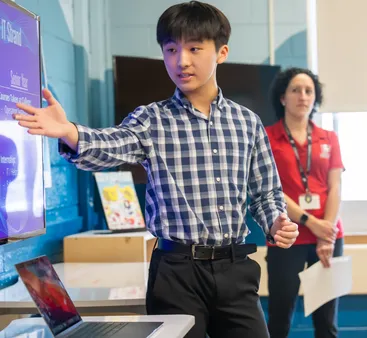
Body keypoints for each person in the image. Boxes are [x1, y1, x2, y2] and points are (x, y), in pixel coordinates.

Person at [13, 2, 299, 337]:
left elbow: (265, 193)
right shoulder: (152, 119)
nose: (182, 60)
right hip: (176, 272)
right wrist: (70, 133)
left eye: (194, 48)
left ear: (221, 52)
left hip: (236, 268)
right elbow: (111, 144)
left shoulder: (248, 123)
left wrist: (276, 220)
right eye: (171, 49)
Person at [264, 67, 344, 338]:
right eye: (296, 90)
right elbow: (270, 189)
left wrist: (327, 233)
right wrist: (311, 222)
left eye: (309, 90)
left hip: (328, 238)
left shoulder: (329, 138)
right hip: (287, 234)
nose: (303, 96)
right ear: (283, 98)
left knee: (326, 322)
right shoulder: (267, 137)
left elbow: (335, 187)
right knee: (279, 318)